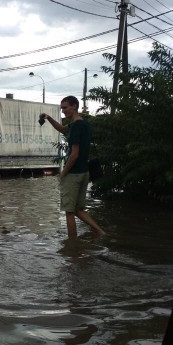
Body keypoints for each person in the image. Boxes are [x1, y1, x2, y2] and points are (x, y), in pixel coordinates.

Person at [40, 95, 105, 238]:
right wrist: (49, 118)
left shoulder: (76, 126)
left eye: (65, 107)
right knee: (78, 210)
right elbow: (63, 129)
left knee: (69, 212)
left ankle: (72, 246)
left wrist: (63, 172)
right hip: (84, 173)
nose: (63, 111)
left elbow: (74, 154)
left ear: (74, 106)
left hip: (73, 174)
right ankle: (100, 232)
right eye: (62, 108)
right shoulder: (83, 124)